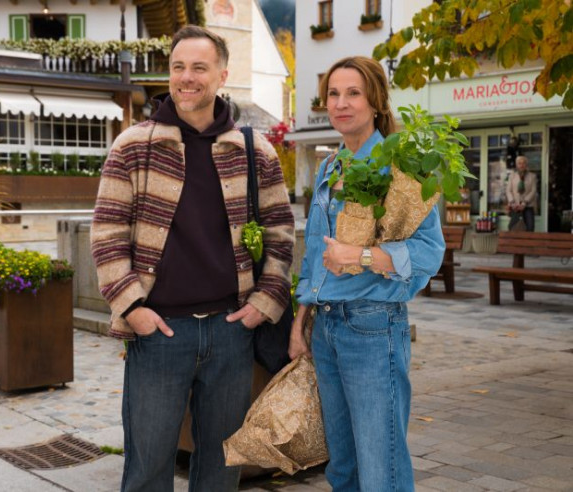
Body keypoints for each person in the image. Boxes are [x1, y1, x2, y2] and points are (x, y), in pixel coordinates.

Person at [90, 25, 294, 492]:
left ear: (222, 75)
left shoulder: (254, 150)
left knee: (222, 469)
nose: (186, 78)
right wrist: (132, 308)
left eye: (199, 68)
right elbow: (107, 232)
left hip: (231, 332)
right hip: (159, 332)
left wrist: (264, 303)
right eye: (178, 67)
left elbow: (281, 232)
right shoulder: (133, 145)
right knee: (147, 468)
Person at [289, 56, 445, 491]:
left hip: (373, 327)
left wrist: (360, 256)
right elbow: (314, 254)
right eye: (333, 94)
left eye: (353, 93)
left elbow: (430, 251)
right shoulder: (330, 167)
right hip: (326, 328)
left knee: (381, 468)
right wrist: (300, 323)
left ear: (376, 101)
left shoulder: (403, 168)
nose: (341, 103)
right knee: (343, 467)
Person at [506, 155, 537, 231]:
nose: (521, 165)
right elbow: (508, 190)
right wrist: (512, 203)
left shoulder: (532, 176)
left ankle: (528, 239)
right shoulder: (512, 176)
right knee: (513, 227)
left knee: (530, 227)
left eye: (523, 163)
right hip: (515, 206)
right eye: (519, 163)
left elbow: (533, 191)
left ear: (526, 164)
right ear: (517, 165)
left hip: (528, 205)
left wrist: (524, 203)